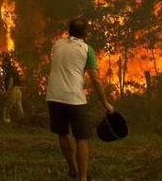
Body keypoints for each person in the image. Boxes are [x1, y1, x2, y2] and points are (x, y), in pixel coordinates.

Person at [46, 19, 115, 181]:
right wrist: (105, 103)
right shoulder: (87, 50)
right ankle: (83, 178)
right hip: (75, 99)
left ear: (68, 31)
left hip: (54, 96)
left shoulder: (57, 44)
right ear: (85, 34)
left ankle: (73, 170)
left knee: (63, 134)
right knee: (81, 138)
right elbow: (96, 80)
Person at [2, 56, 25, 124]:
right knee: (19, 105)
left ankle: (6, 122)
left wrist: (8, 92)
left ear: (6, 63)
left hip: (13, 89)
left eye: (4, 62)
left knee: (8, 106)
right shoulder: (14, 69)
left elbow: (11, 81)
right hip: (18, 90)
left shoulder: (9, 70)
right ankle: (22, 121)